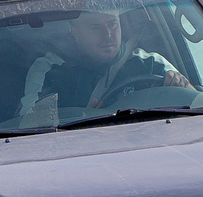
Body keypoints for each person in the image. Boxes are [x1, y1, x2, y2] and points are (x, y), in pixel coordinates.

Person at [16, 11, 190, 126]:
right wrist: (85, 118)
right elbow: (29, 124)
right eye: (95, 27)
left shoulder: (150, 63)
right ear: (74, 31)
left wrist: (178, 85)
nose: (107, 35)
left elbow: (197, 102)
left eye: (112, 24)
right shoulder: (50, 69)